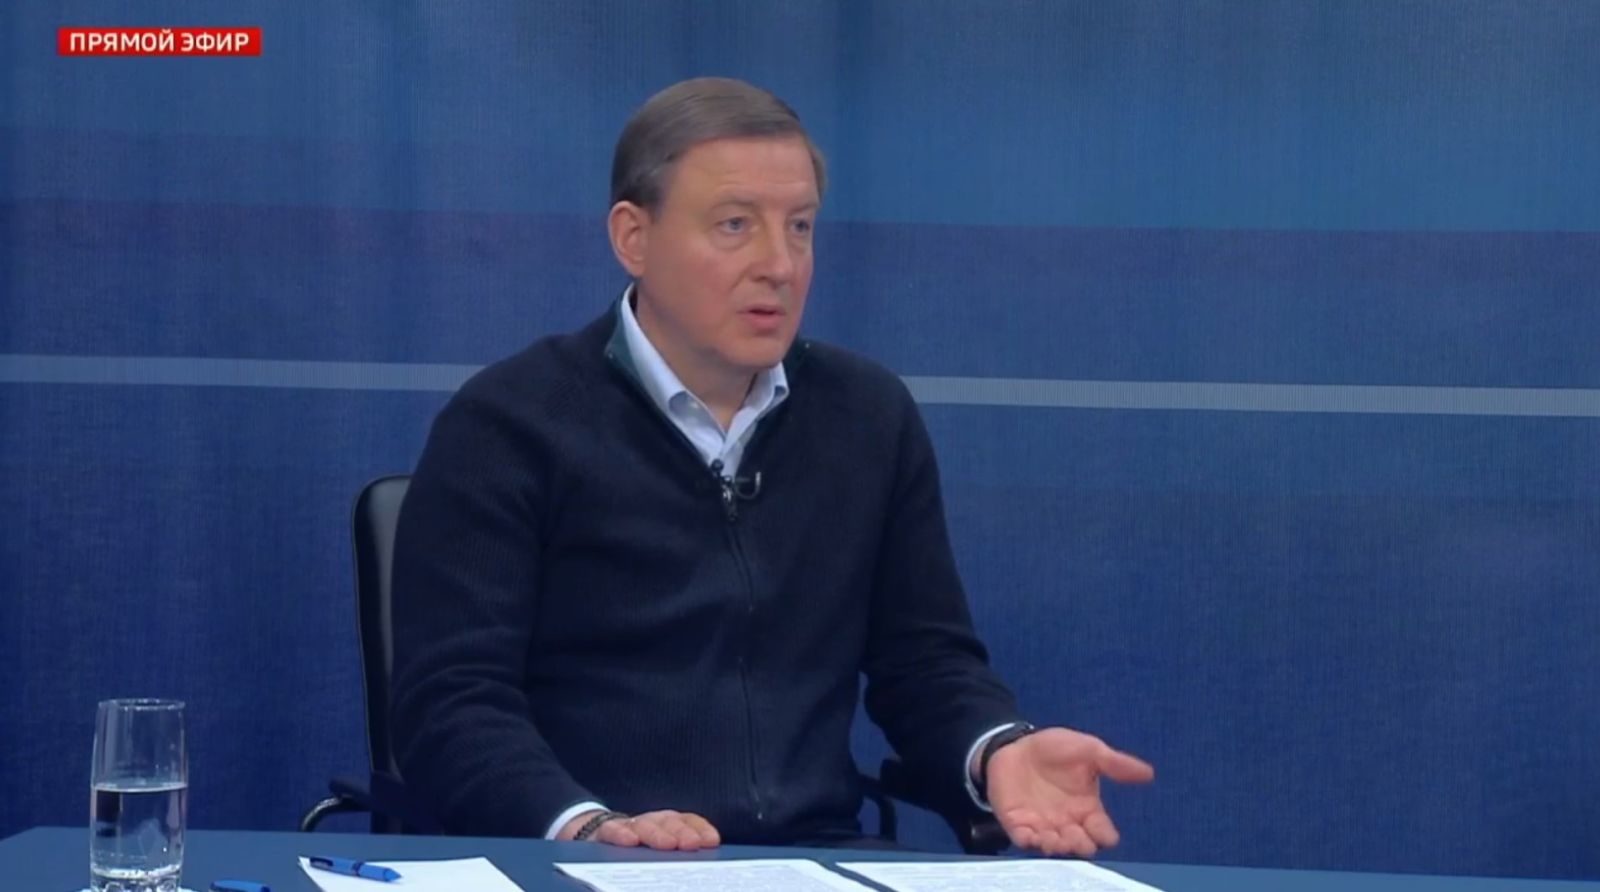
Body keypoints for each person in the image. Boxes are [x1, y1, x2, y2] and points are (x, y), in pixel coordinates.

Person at [389, 76, 1153, 857]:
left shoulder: (867, 416)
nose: (780, 265)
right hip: (588, 860)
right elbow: (451, 705)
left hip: (812, 855)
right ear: (633, 237)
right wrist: (587, 828)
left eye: (800, 227)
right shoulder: (511, 424)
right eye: (734, 225)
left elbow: (924, 663)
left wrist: (997, 750)